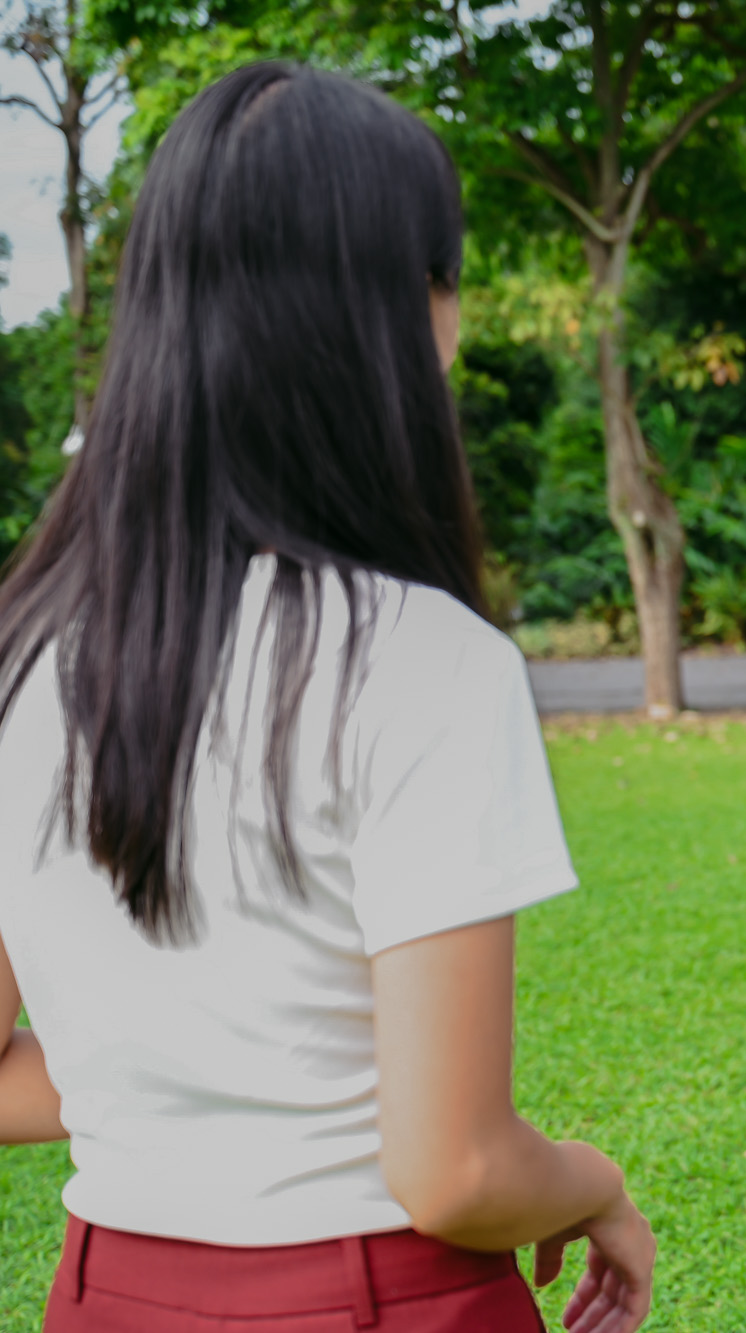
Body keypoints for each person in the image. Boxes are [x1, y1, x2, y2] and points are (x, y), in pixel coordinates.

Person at [0, 66, 653, 1333]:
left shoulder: (25, 651)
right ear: (403, 309)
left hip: (107, 1294)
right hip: (378, 1294)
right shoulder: (423, 658)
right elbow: (455, 1171)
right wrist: (595, 1181)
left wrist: (184, 1085)